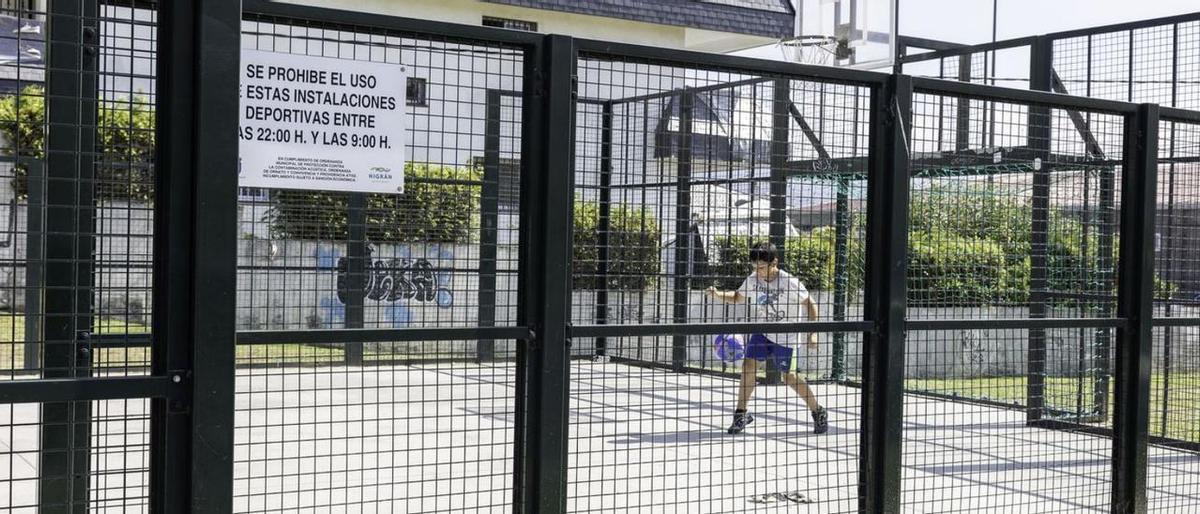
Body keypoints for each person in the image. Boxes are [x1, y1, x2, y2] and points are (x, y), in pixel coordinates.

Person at [705, 241, 828, 435]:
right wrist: (718, 294)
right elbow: (738, 297)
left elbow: (811, 304)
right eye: (755, 267)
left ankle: (818, 411)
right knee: (748, 366)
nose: (758, 271)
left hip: (786, 337)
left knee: (790, 378)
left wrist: (812, 333)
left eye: (761, 267)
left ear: (774, 263)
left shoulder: (789, 282)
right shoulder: (753, 280)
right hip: (762, 332)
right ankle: (741, 414)